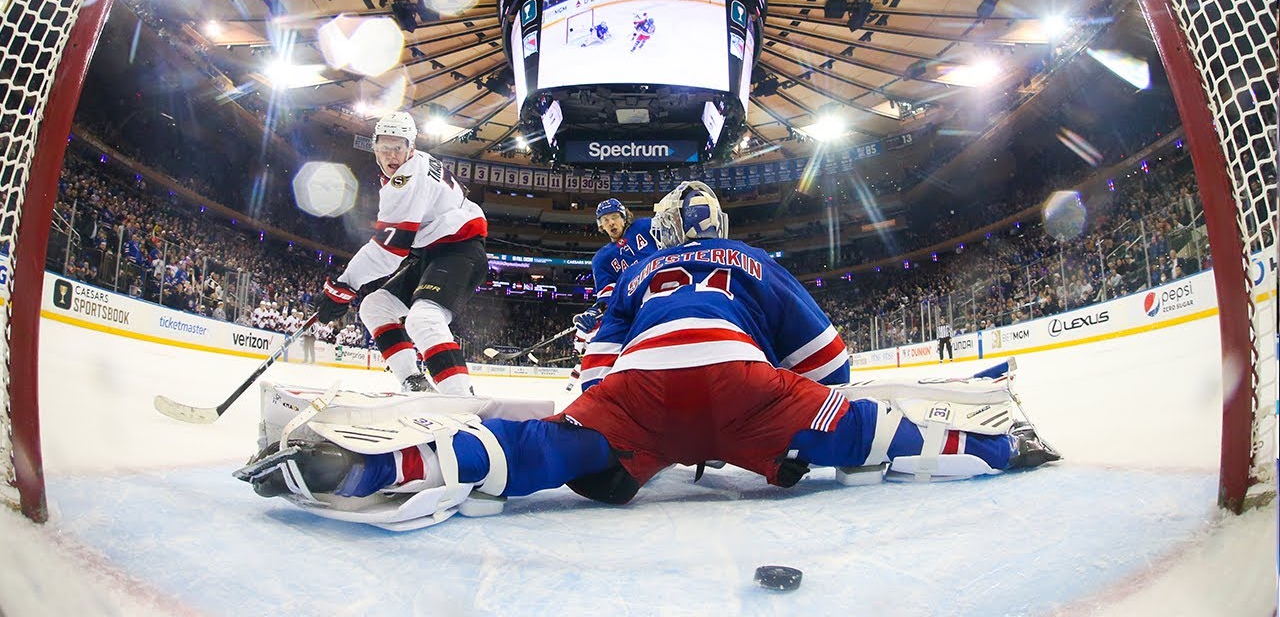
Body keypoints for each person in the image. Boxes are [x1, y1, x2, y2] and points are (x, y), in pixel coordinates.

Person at [240, 181, 1060, 530]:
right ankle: (997, 444)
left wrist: (594, 417)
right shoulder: (754, 260)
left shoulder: (633, 268)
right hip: (749, 390)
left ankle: (384, 467)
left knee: (536, 451)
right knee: (871, 434)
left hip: (639, 393)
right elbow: (831, 364)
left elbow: (595, 373)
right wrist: (803, 408)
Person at [315, 111, 488, 396]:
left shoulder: (405, 179)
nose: (391, 155)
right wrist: (347, 288)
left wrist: (345, 285)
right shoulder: (414, 166)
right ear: (374, 148)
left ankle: (459, 398)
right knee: (374, 307)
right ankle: (415, 383)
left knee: (424, 319)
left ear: (411, 148)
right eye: (384, 147)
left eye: (398, 147)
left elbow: (389, 252)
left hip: (460, 250)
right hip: (433, 252)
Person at [565, 198, 658, 391]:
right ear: (601, 225)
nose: (611, 223)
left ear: (624, 218)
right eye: (605, 220)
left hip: (662, 294)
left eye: (615, 217)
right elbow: (607, 293)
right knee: (598, 352)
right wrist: (595, 311)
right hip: (633, 309)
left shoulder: (645, 225)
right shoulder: (601, 258)